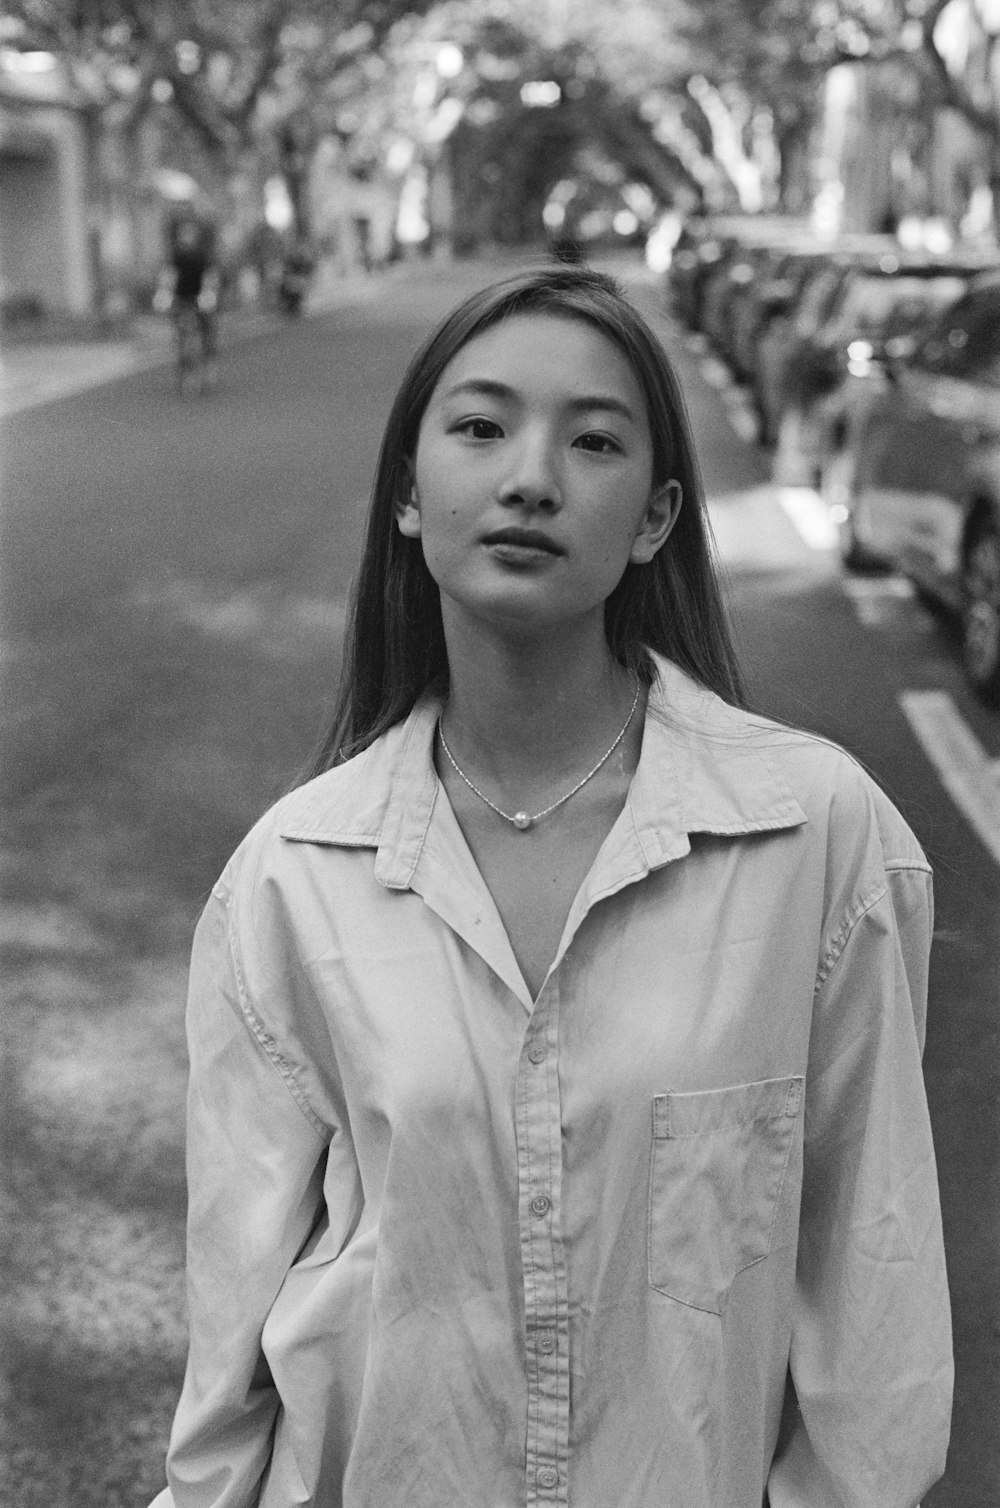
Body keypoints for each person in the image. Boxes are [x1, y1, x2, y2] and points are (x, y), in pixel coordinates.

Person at [149, 265, 952, 1508]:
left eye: (592, 441)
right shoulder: (294, 876)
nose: (530, 476)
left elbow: (875, 1294)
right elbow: (235, 1331)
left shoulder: (816, 838)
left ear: (654, 515)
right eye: (479, 427)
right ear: (410, 496)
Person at [154, 213, 221, 387]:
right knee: (181, 333)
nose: (187, 237)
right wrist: (164, 294)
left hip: (200, 296)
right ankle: (184, 367)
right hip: (182, 297)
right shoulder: (176, 256)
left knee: (207, 328)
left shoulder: (203, 255)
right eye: (184, 233)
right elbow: (168, 275)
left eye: (190, 233)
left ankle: (208, 362)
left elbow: (210, 276)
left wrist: (208, 294)